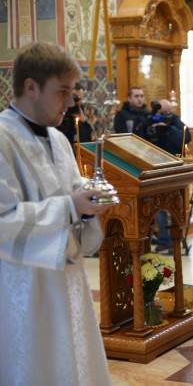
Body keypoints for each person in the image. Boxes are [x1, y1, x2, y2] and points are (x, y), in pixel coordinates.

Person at [0, 41, 112, 385]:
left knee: (71, 365)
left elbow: (73, 193)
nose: (71, 101)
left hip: (67, 279)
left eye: (73, 91)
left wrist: (91, 206)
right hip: (24, 288)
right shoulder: (3, 137)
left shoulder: (58, 139)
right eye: (62, 91)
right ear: (31, 87)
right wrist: (70, 206)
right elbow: (4, 220)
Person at [142, 99, 192, 253]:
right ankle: (164, 240)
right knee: (159, 206)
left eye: (168, 112)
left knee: (175, 206)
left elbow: (185, 138)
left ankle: (176, 239)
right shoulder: (150, 120)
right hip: (154, 167)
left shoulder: (175, 122)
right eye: (162, 113)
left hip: (173, 169)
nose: (165, 115)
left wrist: (168, 127)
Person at [56, 82, 96, 148]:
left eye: (80, 98)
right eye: (75, 97)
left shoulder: (82, 110)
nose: (75, 102)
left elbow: (88, 140)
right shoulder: (60, 110)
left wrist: (84, 122)